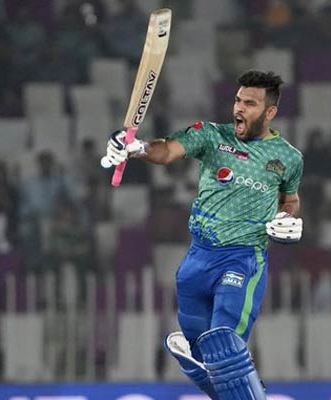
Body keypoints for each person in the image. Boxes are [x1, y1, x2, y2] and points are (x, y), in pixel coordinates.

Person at [103, 70, 303, 400]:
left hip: (242, 259)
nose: (239, 108)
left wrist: (288, 219)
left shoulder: (289, 158)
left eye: (250, 104)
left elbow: (290, 201)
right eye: (238, 100)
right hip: (196, 262)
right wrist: (135, 147)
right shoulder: (211, 136)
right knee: (208, 360)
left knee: (223, 343)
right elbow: (166, 151)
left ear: (270, 113)